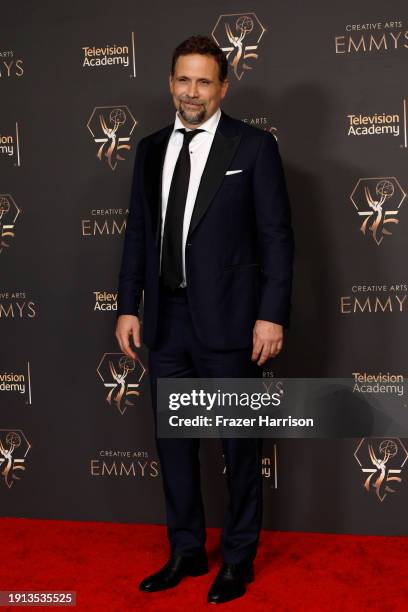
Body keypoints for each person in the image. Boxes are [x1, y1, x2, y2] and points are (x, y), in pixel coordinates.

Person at [115, 35, 294, 604]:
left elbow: (277, 239)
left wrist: (271, 316)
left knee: (239, 447)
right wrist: (127, 304)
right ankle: (187, 551)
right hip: (167, 322)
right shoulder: (148, 149)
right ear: (170, 83)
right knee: (175, 446)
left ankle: (237, 560)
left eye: (204, 81)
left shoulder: (254, 147)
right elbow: (138, 235)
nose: (192, 91)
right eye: (183, 80)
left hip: (233, 325)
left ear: (223, 87)